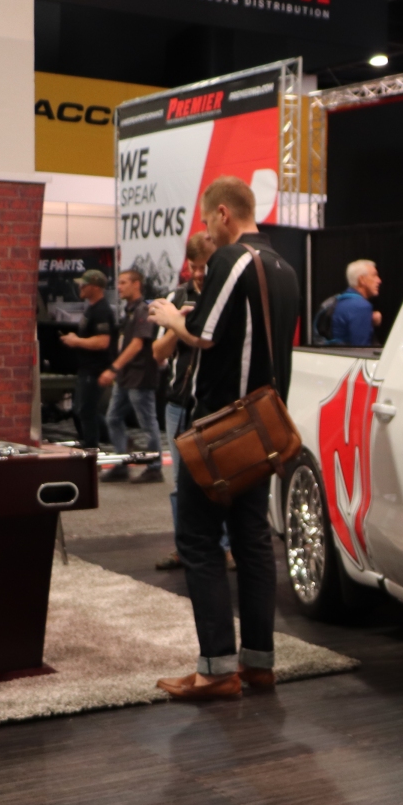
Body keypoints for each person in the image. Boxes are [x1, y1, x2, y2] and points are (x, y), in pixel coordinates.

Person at [147, 178, 299, 699]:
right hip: (263, 427)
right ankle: (259, 663)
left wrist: (172, 320)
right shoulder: (284, 267)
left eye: (208, 219)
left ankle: (216, 669)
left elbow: (204, 337)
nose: (208, 230)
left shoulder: (232, 260)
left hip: (220, 429)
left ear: (224, 214)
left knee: (197, 539)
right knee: (253, 540)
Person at [152, 232, 215, 569]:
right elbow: (158, 353)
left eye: (205, 266)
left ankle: (223, 546)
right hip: (178, 402)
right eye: (194, 267)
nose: (199, 273)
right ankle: (184, 546)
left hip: (214, 403)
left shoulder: (223, 295)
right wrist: (177, 324)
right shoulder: (176, 297)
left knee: (218, 479)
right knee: (180, 482)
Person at [98, 269, 163, 484]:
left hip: (140, 375)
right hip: (126, 376)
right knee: (113, 418)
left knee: (148, 423)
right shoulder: (130, 311)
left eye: (124, 282)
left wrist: (113, 368)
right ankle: (121, 464)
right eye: (119, 283)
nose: (119, 287)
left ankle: (154, 467)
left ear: (136, 284)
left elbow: (137, 344)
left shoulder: (143, 310)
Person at [57, 269, 116, 449]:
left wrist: (77, 341)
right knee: (82, 409)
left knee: (86, 410)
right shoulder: (91, 309)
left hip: (95, 369)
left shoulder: (102, 310)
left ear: (95, 287)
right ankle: (107, 438)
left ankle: (92, 446)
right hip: (86, 367)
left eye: (84, 284)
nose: (80, 287)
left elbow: (103, 341)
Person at [330, 260, 383, 346]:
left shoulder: (343, 300)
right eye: (374, 275)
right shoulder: (361, 306)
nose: (379, 281)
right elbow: (362, 349)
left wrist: (368, 318)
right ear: (362, 280)